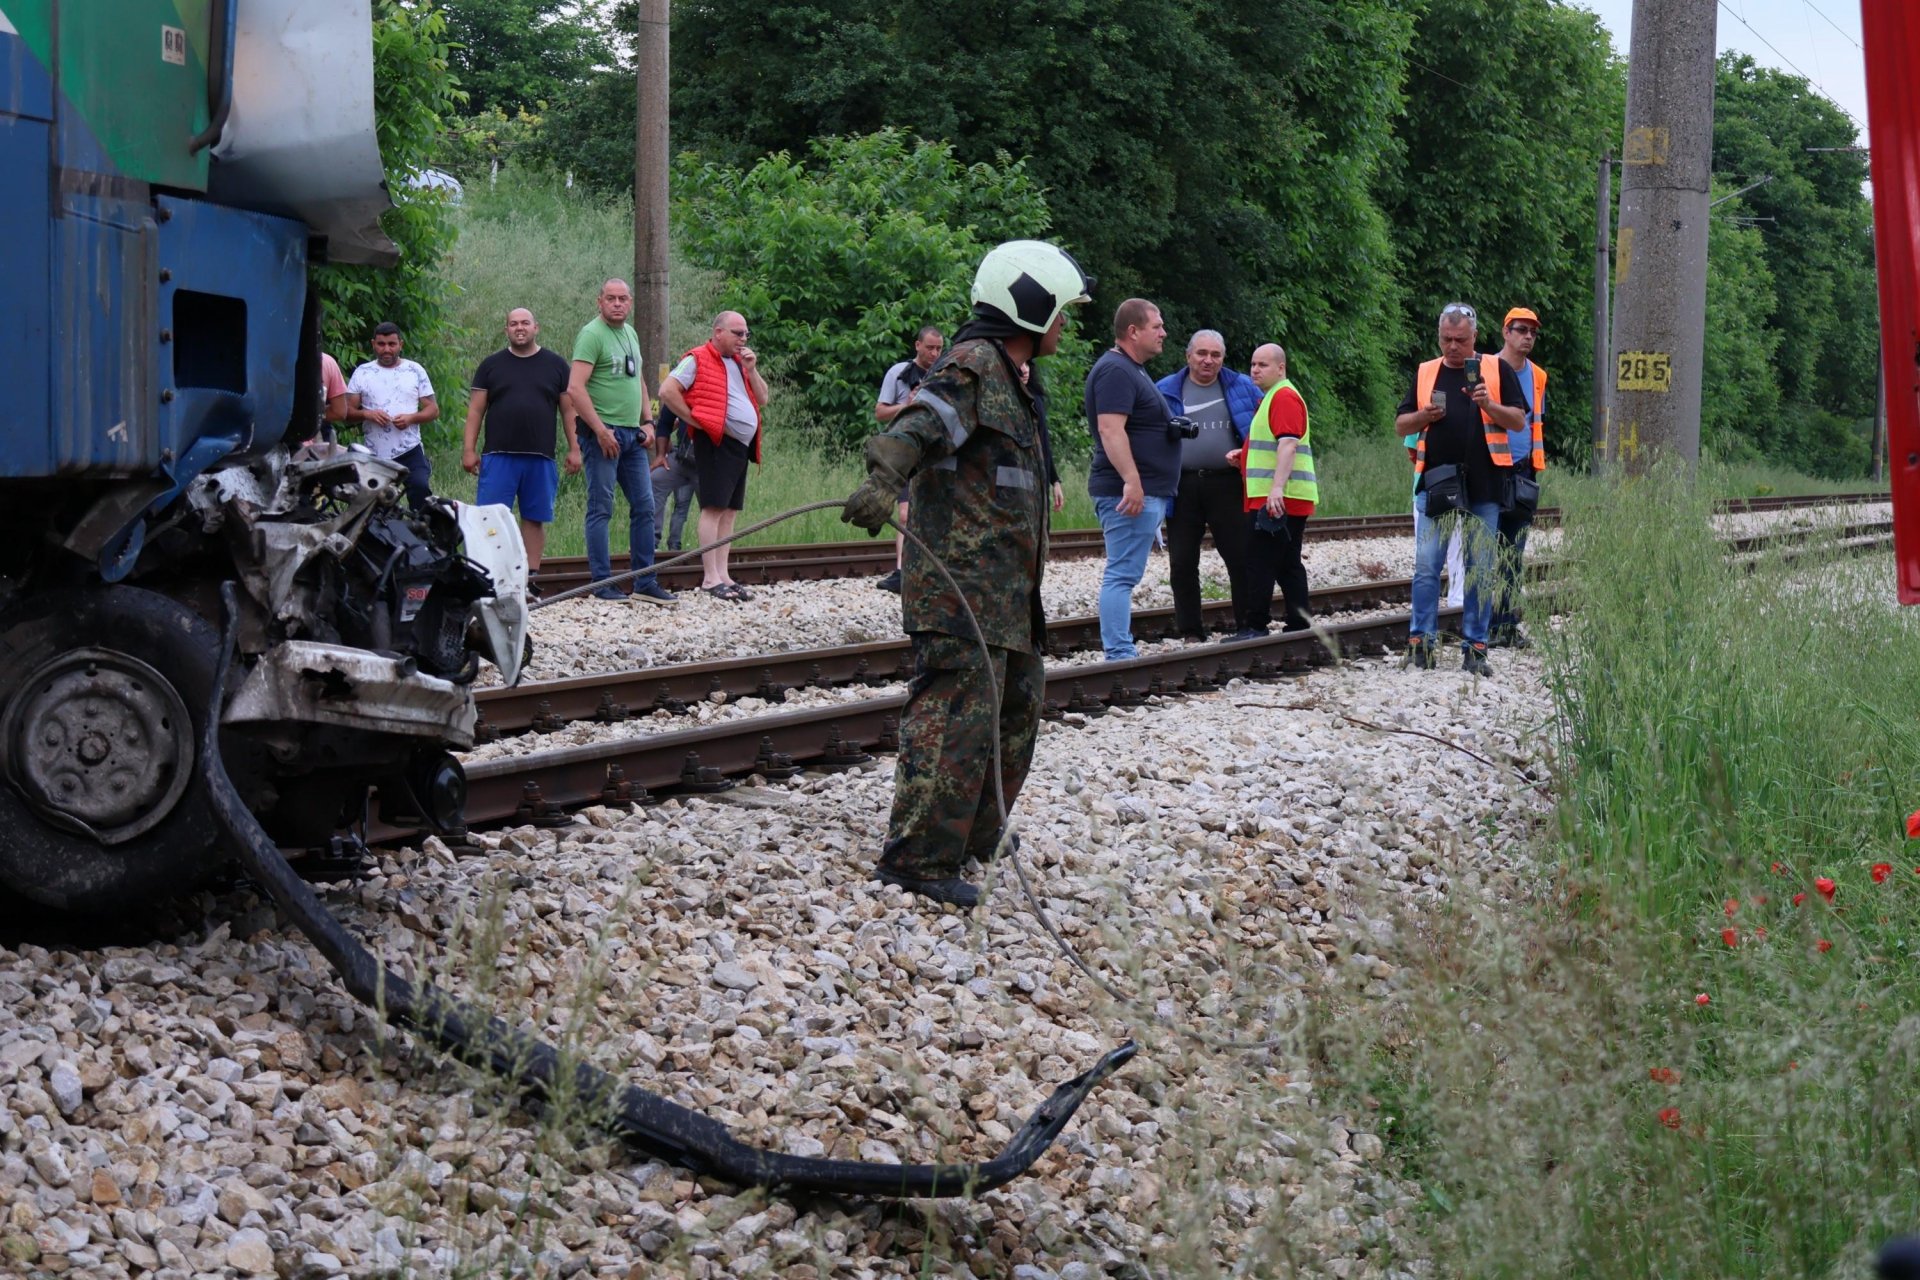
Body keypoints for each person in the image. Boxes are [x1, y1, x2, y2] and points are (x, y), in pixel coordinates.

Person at [840, 239, 1093, 909]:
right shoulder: (975, 363)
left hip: (1007, 591)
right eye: (1061, 311)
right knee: (954, 716)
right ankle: (918, 859)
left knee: (1012, 715)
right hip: (961, 586)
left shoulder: (1018, 382)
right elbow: (924, 421)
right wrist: (883, 475)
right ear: (1029, 308)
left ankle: (975, 833)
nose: (1065, 325)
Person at [1393, 302, 1529, 675]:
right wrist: (1424, 416)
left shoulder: (1496, 369)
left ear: (1475, 338)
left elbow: (1519, 420)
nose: (1453, 347)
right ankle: (1420, 644)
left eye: (1461, 340)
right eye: (1446, 339)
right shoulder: (1426, 372)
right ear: (1439, 337)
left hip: (1485, 487)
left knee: (1480, 569)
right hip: (1436, 485)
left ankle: (1476, 648)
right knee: (1426, 568)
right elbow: (1401, 425)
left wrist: (1490, 405)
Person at [571, 278, 675, 605]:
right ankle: (602, 583)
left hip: (632, 435)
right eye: (611, 299)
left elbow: (640, 380)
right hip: (604, 435)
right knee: (601, 507)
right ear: (599, 301)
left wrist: (648, 421)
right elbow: (575, 388)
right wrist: (600, 430)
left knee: (645, 506)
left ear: (630, 303)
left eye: (623, 299)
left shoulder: (630, 333)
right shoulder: (591, 335)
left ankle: (645, 582)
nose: (617, 304)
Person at [462, 307, 583, 588]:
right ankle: (492, 574)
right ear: (506, 330)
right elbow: (476, 411)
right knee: (490, 519)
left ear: (535, 327)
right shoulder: (491, 365)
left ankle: (531, 577)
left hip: (540, 456)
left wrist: (575, 448)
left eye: (525, 323)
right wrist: (469, 450)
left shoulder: (555, 365)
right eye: (513, 324)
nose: (520, 328)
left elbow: (568, 412)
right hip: (498, 456)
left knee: (534, 518)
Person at [1086, 298, 1179, 660]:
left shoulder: (1132, 369)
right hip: (1125, 492)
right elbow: (1110, 429)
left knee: (1125, 572)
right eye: (1157, 326)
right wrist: (1132, 480)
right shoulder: (1116, 371)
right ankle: (1119, 653)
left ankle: (1120, 648)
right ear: (1133, 331)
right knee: (1122, 574)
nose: (1163, 333)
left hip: (1144, 489)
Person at [1155, 330, 1262, 641]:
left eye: (1215, 355)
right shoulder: (1166, 390)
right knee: (1183, 561)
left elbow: (1266, 429)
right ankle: (1190, 630)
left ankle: (1247, 624)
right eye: (1202, 353)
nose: (1208, 360)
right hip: (1183, 486)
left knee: (1241, 557)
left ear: (1223, 358)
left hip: (1229, 484)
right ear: (1188, 356)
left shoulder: (1243, 386)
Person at [657, 311, 769, 602]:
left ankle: (724, 575)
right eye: (737, 333)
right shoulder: (697, 358)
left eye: (746, 334)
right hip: (717, 442)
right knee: (713, 508)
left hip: (739, 447)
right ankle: (710, 578)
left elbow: (764, 398)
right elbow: (667, 391)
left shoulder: (739, 363)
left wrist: (752, 369)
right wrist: (695, 421)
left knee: (730, 511)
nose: (743, 339)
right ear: (718, 332)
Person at [1229, 343, 1316, 636]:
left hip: (1279, 498)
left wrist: (1276, 489)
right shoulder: (1273, 397)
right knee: (1286, 563)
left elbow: (1288, 443)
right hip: (1287, 496)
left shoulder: (1283, 397)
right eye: (1253, 364)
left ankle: (1255, 626)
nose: (1255, 369)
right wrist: (1243, 457)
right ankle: (1299, 624)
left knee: (1260, 562)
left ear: (1281, 368)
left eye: (1263, 365)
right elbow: (1275, 444)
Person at [1490, 306, 1548, 648]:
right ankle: (1482, 625)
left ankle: (1507, 625)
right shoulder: (1486, 368)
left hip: (1524, 471)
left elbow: (1537, 420)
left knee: (1513, 553)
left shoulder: (1539, 376)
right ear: (1506, 332)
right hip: (1490, 469)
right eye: (1521, 330)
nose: (1528, 336)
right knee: (1484, 552)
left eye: (1532, 332)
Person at [873, 326, 946, 592]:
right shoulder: (898, 373)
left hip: (935, 453)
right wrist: (908, 405)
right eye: (930, 348)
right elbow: (880, 413)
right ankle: (901, 572)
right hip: (903, 452)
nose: (934, 353)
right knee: (904, 513)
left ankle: (932, 570)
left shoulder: (945, 375)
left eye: (939, 348)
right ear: (917, 345)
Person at [345, 322, 439, 507]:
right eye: (381, 344)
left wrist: (411, 418)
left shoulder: (415, 370)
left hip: (410, 450)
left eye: (391, 344)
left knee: (420, 489)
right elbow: (346, 412)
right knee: (370, 503)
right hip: (374, 452)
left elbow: (433, 409)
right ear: (373, 344)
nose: (386, 349)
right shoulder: (362, 372)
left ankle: (422, 531)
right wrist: (367, 414)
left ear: (400, 345)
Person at [649, 405, 699, 554]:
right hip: (682, 457)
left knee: (712, 508)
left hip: (707, 462)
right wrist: (660, 454)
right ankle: (651, 543)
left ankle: (714, 551)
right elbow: (665, 421)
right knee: (656, 479)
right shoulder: (679, 391)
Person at [1021, 361, 1067, 513]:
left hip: (1040, 481)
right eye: (1019, 364)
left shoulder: (1036, 398)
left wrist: (1055, 481)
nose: (1024, 369)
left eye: (1027, 364)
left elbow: (1043, 441)